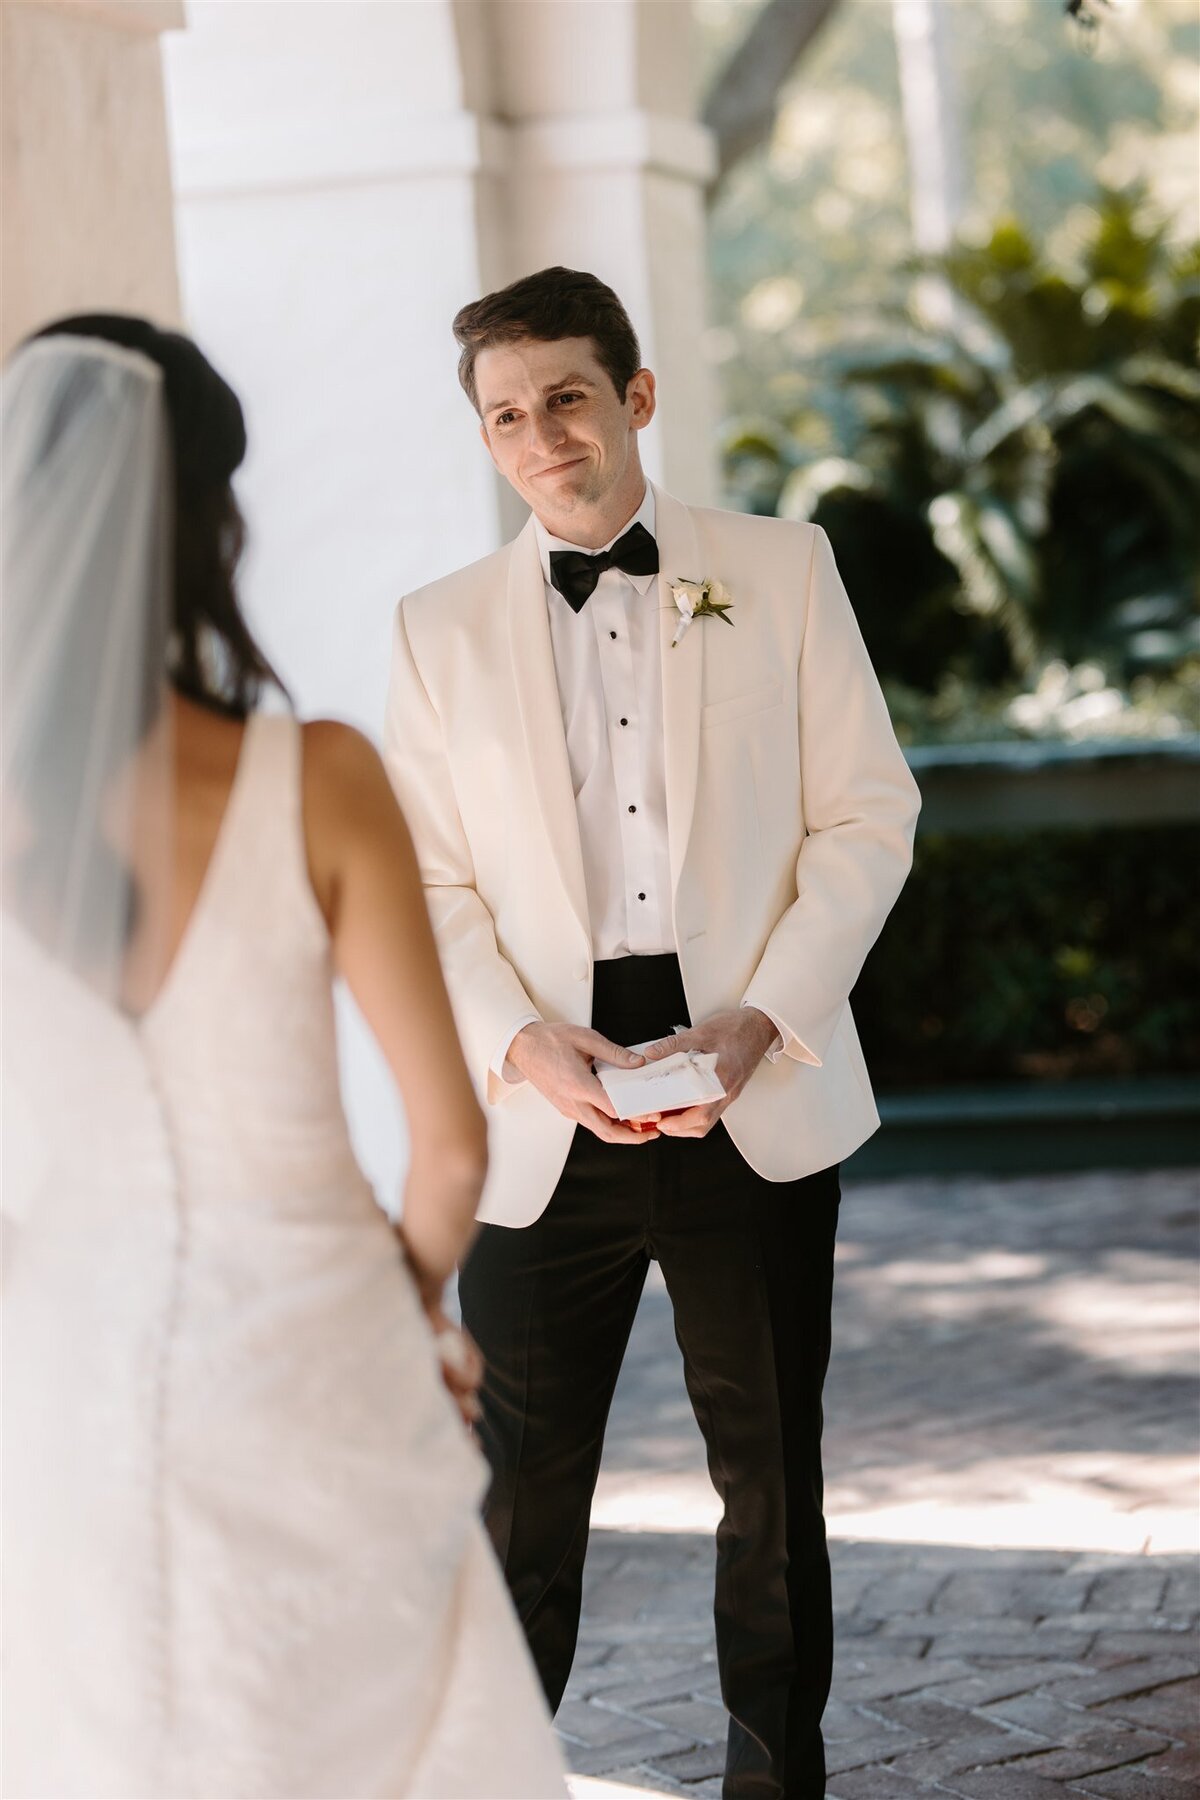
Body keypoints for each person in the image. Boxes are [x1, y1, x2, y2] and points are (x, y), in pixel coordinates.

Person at [0, 316, 566, 1800]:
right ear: (213, 517)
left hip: (56, 1377)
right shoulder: (316, 777)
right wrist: (405, 1314)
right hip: (318, 1355)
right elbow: (451, 1151)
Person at [383, 267, 922, 1799]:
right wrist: (522, 1045)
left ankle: (776, 1775)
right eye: (505, 415)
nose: (541, 435)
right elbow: (424, 883)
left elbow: (869, 817)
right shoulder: (434, 631)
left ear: (637, 395)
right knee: (514, 1499)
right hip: (547, 1108)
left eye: (565, 396)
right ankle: (486, 1774)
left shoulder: (786, 568)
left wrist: (766, 1019)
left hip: (753, 1080)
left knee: (768, 1484)